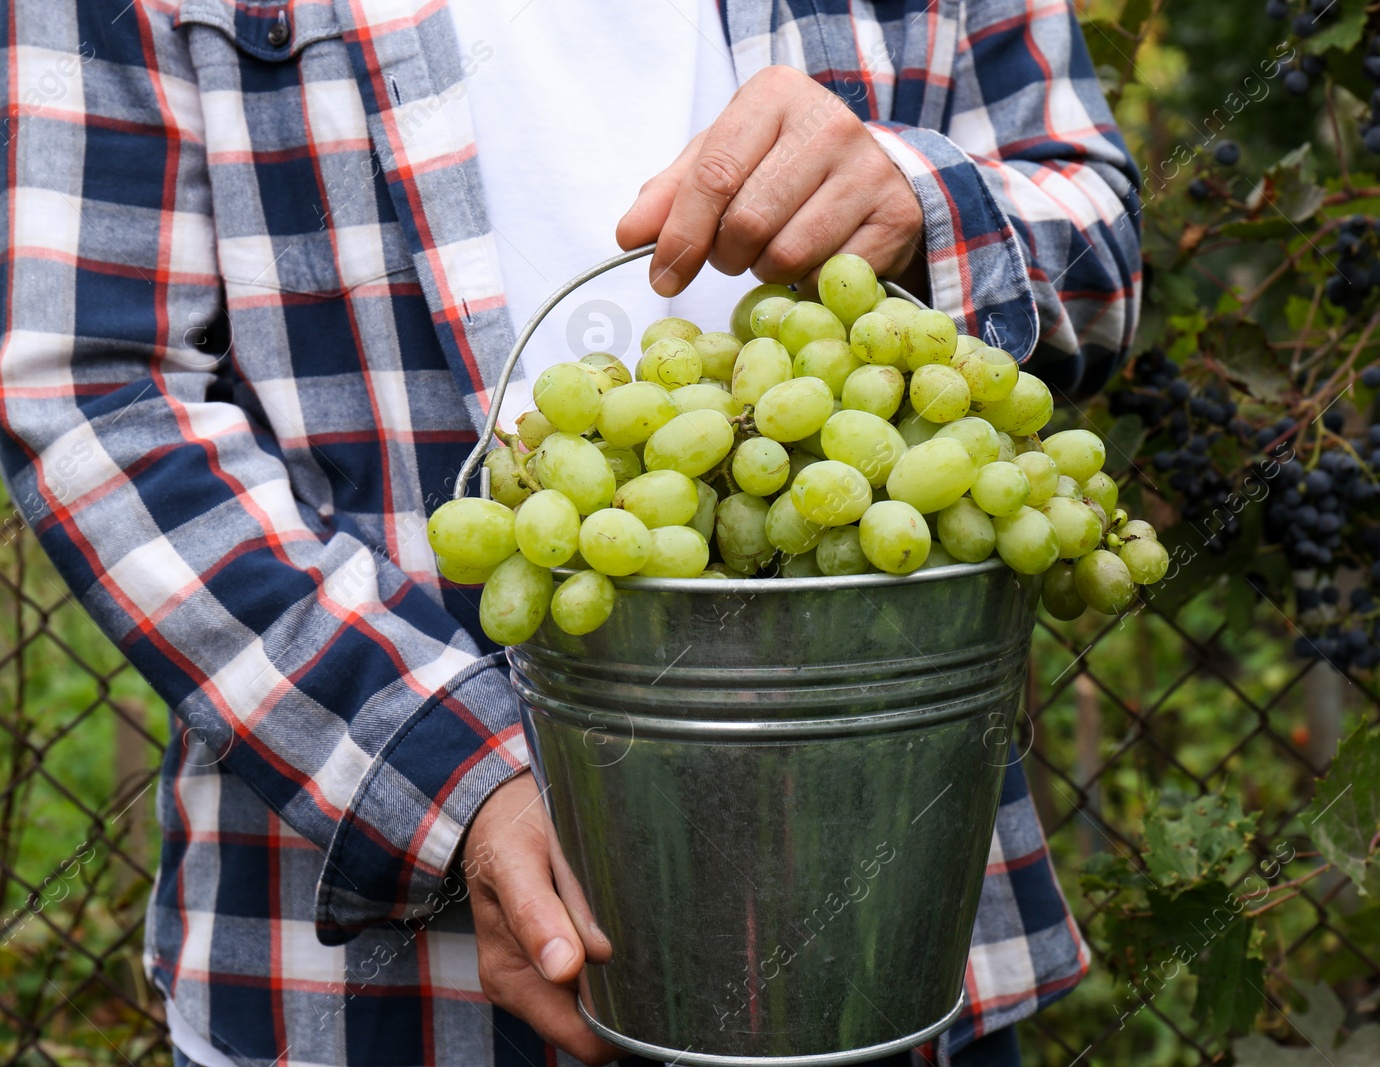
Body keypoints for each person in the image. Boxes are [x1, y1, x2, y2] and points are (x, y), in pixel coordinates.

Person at [0, 2, 1140, 1065]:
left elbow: (1098, 256)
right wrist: (443, 769)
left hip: (898, 908)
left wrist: (921, 202)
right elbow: (91, 394)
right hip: (378, 998)